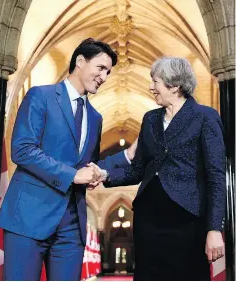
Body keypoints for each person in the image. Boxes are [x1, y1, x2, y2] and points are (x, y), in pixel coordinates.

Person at [0, 38, 137, 281]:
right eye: (101, 68)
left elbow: (87, 167)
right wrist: (72, 175)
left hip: (72, 225)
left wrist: (126, 156)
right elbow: (22, 149)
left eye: (108, 72)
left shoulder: (95, 117)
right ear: (80, 61)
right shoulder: (40, 96)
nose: (104, 77)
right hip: (29, 216)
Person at [90, 56, 226, 281]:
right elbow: (137, 170)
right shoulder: (150, 119)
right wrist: (105, 174)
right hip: (148, 218)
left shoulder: (205, 117)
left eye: (156, 82)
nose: (151, 87)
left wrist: (214, 229)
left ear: (175, 86)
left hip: (187, 219)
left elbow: (216, 177)